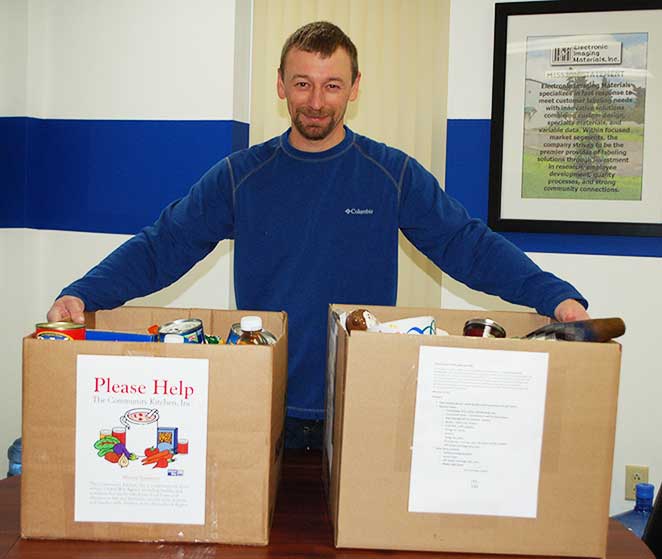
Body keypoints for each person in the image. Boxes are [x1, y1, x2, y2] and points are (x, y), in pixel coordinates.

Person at [47, 21, 589, 449]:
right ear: (281, 85)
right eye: (302, 83)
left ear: (354, 88)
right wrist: (83, 294)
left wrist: (555, 297)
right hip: (263, 400)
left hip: (358, 403)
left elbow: (467, 245)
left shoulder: (391, 174)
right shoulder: (240, 176)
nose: (315, 100)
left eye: (332, 85)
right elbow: (162, 246)